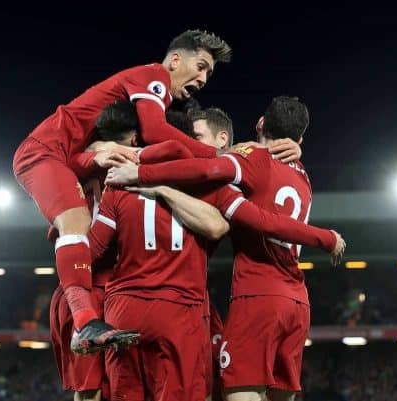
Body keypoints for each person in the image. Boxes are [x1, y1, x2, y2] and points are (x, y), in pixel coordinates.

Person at [106, 96, 346, 401]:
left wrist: (142, 175)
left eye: (196, 138)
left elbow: (214, 177)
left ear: (260, 124)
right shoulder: (302, 174)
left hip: (254, 298)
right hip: (297, 301)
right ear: (298, 139)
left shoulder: (246, 164)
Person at [12, 29, 233, 354]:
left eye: (209, 73)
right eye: (200, 66)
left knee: (79, 224)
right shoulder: (154, 76)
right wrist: (217, 158)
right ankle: (83, 321)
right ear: (174, 60)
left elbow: (137, 143)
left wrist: (93, 158)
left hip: (65, 158)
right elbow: (155, 132)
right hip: (45, 151)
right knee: (76, 223)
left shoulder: (148, 99)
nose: (203, 77)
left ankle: (84, 318)